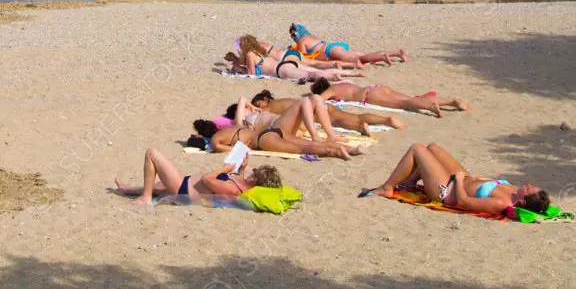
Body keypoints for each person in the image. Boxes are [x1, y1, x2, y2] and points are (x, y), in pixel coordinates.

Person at [362, 143, 551, 218]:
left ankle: (387, 188)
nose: (526, 185)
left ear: (523, 201)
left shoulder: (501, 202)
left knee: (418, 149)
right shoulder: (513, 190)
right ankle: (411, 181)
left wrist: (459, 181)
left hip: (447, 191)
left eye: (528, 189)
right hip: (465, 178)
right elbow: (542, 206)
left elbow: (463, 202)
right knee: (433, 148)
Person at [195, 94, 365, 160]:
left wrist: (242, 148)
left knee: (303, 148)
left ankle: (338, 152)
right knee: (308, 143)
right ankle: (349, 149)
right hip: (273, 130)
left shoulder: (217, 138)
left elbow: (219, 147)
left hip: (265, 139)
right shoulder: (236, 127)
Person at [114, 147, 281, 205]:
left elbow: (207, 179)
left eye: (254, 172)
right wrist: (241, 168)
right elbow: (236, 179)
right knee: (158, 187)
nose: (251, 172)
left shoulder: (235, 190)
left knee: (152, 154)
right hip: (185, 185)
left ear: (255, 179)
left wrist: (224, 169)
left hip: (182, 189)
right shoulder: (242, 183)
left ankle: (145, 198)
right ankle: (127, 189)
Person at [247, 89, 405, 135]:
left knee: (336, 121)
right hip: (318, 104)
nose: (256, 107)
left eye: (256, 103)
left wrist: (251, 107)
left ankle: (359, 127)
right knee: (352, 115)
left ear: (262, 101)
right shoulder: (280, 100)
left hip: (311, 110)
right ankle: (386, 120)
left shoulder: (267, 108)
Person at [310, 77, 469, 119]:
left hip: (369, 96)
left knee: (404, 104)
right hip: (376, 88)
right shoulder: (341, 84)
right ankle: (452, 102)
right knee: (411, 98)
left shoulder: (331, 90)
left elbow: (320, 100)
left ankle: (429, 106)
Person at [226, 35, 364, 81]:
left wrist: (238, 69)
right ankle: (351, 72)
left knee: (312, 73)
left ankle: (337, 76)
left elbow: (252, 74)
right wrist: (237, 61)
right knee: (313, 66)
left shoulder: (250, 54)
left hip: (283, 68)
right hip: (287, 61)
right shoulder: (259, 50)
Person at [289, 23, 407, 68]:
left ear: (298, 33)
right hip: (337, 45)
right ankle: (396, 53)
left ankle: (383, 56)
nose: (293, 38)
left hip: (331, 50)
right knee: (365, 55)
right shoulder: (311, 36)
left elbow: (304, 56)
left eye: (293, 35)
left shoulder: (302, 40)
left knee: (361, 59)